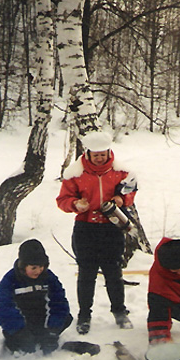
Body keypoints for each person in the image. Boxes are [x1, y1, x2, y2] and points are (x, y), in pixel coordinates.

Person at [56, 131, 137, 334]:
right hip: (86, 228)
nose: (100, 158)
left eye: (103, 154)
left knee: (113, 272)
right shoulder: (75, 173)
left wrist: (122, 200)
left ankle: (120, 311)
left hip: (111, 227)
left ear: (109, 152)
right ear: (88, 153)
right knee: (86, 273)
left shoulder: (120, 171)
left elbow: (131, 190)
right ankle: (84, 315)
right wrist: (76, 204)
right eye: (96, 155)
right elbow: (62, 200)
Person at [0, 239, 72, 355]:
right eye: (33, 268)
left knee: (66, 318)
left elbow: (59, 302)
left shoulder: (49, 278)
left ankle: (45, 337)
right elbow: (2, 307)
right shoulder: (11, 280)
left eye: (41, 267)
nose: (38, 271)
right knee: (19, 343)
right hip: (22, 322)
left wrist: (53, 330)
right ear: (23, 266)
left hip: (43, 321)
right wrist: (19, 330)